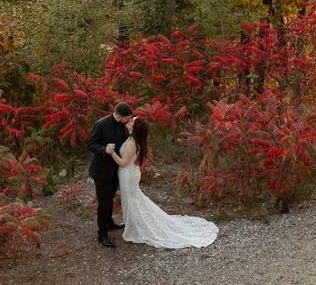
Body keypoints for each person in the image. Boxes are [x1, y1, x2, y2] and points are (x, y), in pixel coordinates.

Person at [109, 117, 218, 249]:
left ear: (135, 127)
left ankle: (135, 228)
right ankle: (132, 224)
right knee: (132, 199)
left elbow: (123, 162)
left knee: (131, 200)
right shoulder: (132, 139)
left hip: (128, 174)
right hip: (129, 173)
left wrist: (111, 152)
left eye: (132, 121)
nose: (129, 121)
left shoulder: (132, 142)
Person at [87, 102, 132, 248]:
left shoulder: (123, 125)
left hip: (116, 170)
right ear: (118, 116)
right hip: (101, 170)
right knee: (104, 202)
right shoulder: (101, 124)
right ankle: (102, 234)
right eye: (127, 118)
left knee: (111, 197)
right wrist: (104, 149)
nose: (129, 120)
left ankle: (110, 222)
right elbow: (91, 144)